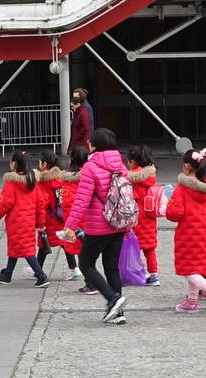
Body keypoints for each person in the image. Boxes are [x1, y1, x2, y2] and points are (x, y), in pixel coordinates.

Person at [66, 127, 134, 323]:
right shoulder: (120, 166)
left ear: (95, 145)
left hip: (99, 225)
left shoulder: (90, 167)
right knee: (112, 266)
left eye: (90, 141)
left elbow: (82, 200)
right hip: (119, 223)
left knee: (86, 263)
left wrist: (70, 225)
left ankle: (113, 299)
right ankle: (118, 314)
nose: (88, 144)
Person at [165, 148, 206, 311]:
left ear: (186, 166)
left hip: (188, 233)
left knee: (188, 268)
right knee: (195, 267)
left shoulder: (182, 188)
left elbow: (174, 214)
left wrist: (168, 204)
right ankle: (191, 301)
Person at [0, 150, 47, 286]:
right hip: (29, 222)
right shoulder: (34, 183)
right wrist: (40, 223)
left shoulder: (12, 184)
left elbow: (1, 205)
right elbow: (40, 205)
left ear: (14, 164)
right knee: (16, 248)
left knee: (26, 251)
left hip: (16, 223)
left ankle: (41, 276)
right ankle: (7, 274)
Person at [123, 143, 161, 285]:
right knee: (150, 248)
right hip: (150, 219)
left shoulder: (133, 179)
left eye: (128, 161)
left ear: (132, 162)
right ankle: (154, 275)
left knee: (135, 248)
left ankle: (141, 273)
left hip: (137, 219)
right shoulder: (150, 176)